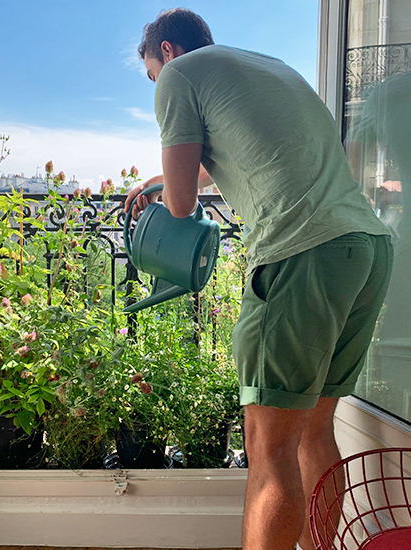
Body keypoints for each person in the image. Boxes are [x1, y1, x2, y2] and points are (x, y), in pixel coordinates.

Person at [123, 8, 393, 550]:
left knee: (268, 449)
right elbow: (239, 158)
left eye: (152, 72)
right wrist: (163, 176)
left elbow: (179, 205)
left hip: (303, 252)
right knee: (315, 431)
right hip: (364, 248)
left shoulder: (178, 76)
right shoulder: (266, 67)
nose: (158, 83)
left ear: (168, 52)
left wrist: (161, 186)